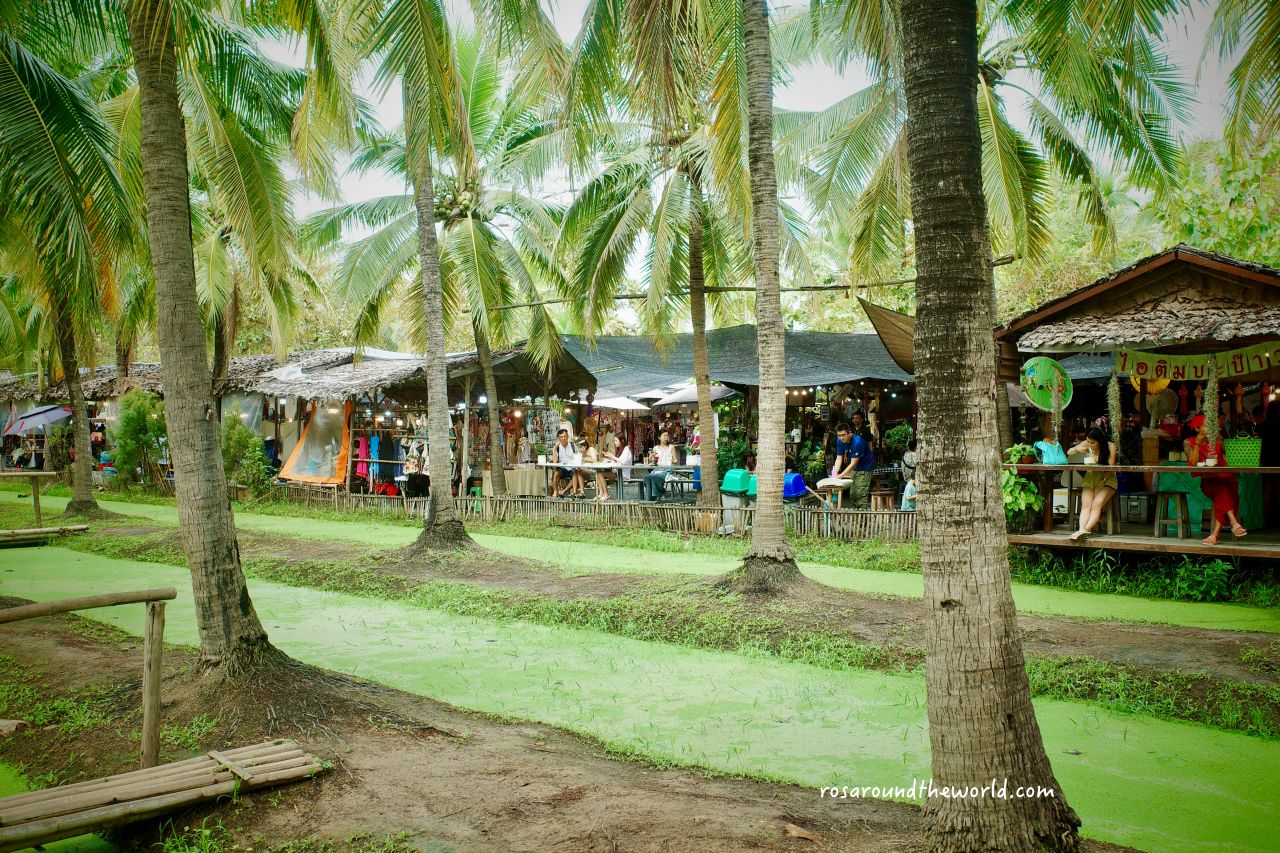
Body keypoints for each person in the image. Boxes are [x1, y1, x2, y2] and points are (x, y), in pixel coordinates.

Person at [1187, 414, 1246, 544]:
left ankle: (1215, 535)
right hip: (1209, 481)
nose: (1210, 427)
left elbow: (1229, 457)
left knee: (1226, 488)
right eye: (1206, 425)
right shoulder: (1189, 442)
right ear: (1197, 428)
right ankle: (1233, 522)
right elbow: (1193, 461)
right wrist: (1197, 443)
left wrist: (1219, 442)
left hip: (1225, 478)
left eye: (1211, 425)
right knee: (1223, 490)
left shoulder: (1217, 441)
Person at [1067, 427, 1117, 541]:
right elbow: (1068, 452)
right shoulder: (1088, 442)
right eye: (1088, 441)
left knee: (1096, 504)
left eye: (1093, 443)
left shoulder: (1111, 447)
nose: (1089, 444)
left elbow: (1111, 468)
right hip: (1090, 478)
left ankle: (1085, 531)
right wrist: (1077, 449)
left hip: (1107, 479)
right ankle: (1081, 530)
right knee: (1086, 504)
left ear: (1101, 441)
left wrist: (1102, 483)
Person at [825, 421, 873, 509]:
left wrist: (840, 476)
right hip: (855, 469)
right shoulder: (839, 441)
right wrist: (835, 472)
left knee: (860, 495)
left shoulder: (857, 442)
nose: (841, 437)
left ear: (849, 433)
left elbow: (853, 464)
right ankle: (856, 518)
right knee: (853, 495)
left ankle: (862, 520)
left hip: (865, 468)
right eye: (839, 435)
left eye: (843, 435)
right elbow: (839, 458)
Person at [644, 431, 675, 501]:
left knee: (655, 477)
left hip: (667, 470)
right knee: (647, 478)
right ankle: (657, 494)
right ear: (659, 437)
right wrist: (651, 457)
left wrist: (670, 460)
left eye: (667, 436)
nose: (666, 438)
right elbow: (651, 461)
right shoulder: (655, 448)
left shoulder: (671, 447)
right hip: (657, 469)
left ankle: (653, 497)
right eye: (664, 436)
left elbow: (675, 460)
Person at [550, 429, 580, 498]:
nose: (563, 438)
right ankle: (555, 491)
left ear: (568, 437)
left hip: (572, 468)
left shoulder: (573, 445)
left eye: (565, 436)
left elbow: (577, 456)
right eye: (561, 437)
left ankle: (571, 491)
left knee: (575, 473)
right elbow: (555, 461)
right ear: (559, 438)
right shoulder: (557, 447)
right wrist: (554, 449)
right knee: (556, 472)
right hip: (562, 468)